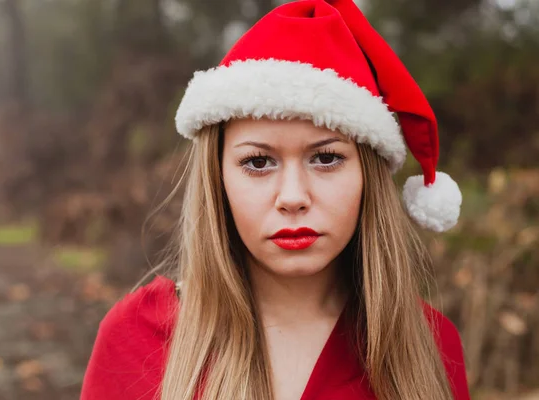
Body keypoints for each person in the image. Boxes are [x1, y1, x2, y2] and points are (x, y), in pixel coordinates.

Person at [80, 0, 468, 399]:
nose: (293, 197)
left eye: (327, 158)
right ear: (219, 178)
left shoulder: (429, 346)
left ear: (367, 175)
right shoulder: (136, 337)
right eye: (258, 162)